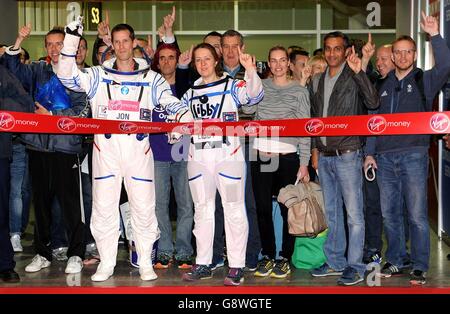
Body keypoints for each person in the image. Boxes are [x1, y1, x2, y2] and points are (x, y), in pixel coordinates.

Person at [57, 19, 185, 282]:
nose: (122, 46)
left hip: (139, 153)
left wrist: (182, 120)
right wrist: (71, 38)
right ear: (112, 45)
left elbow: (171, 102)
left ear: (133, 42)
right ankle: (107, 262)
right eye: (117, 41)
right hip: (106, 152)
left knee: (144, 208)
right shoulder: (98, 75)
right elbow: (66, 75)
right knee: (103, 208)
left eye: (126, 40)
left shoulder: (151, 78)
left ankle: (146, 261)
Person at [364, 12, 450, 285]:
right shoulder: (382, 84)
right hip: (384, 159)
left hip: (414, 155)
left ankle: (420, 264)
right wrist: (369, 152)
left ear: (414, 54)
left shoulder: (424, 80)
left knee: (416, 213)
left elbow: (446, 65)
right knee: (390, 214)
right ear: (391, 57)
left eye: (406, 52)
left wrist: (435, 35)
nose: (401, 57)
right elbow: (373, 121)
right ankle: (397, 259)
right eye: (397, 52)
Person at [3, 25, 87, 275]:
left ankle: (76, 254)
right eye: (49, 44)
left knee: (71, 205)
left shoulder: (78, 75)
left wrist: (51, 116)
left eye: (58, 43)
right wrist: (17, 42)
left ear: (67, 46)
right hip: (37, 147)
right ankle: (42, 253)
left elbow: (82, 111)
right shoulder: (38, 70)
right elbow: (14, 70)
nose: (53, 48)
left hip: (66, 148)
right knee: (40, 205)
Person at [181, 42, 263, 286]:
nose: (203, 64)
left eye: (207, 58)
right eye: (198, 60)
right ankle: (203, 262)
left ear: (216, 60)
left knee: (234, 209)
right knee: (202, 211)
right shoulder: (190, 92)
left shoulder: (231, 85)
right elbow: (177, 116)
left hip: (228, 158)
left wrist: (250, 71)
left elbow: (254, 95)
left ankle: (236, 266)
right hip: (198, 159)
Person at [309, 31, 379, 286]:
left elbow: (372, 103)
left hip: (348, 154)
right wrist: (315, 151)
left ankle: (356, 265)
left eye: (337, 48)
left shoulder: (354, 75)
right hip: (325, 156)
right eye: (328, 48)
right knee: (332, 213)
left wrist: (360, 72)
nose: (331, 53)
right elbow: (313, 121)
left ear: (346, 51)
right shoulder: (315, 80)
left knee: (353, 214)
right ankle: (336, 261)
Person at [251, 46, 311, 279]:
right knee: (263, 209)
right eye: (273, 61)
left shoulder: (299, 91)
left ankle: (284, 257)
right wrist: (251, 80)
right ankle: (267, 255)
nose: (277, 65)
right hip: (260, 156)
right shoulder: (261, 87)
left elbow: (305, 129)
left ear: (288, 64)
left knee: (288, 210)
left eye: (282, 60)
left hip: (287, 158)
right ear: (268, 63)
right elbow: (247, 110)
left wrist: (304, 162)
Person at [149, 43, 193, 269]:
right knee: (160, 205)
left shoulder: (186, 87)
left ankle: (184, 251)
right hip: (156, 154)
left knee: (186, 205)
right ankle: (164, 250)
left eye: (171, 57)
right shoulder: (150, 87)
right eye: (162, 58)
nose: (166, 62)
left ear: (178, 61)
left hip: (183, 153)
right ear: (157, 62)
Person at [0, 64, 34, 282]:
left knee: (1, 211)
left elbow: (25, 104)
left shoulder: (2, 73)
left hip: (0, 154)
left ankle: (4, 263)